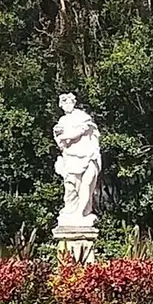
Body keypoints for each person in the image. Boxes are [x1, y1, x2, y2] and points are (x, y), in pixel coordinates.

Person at [52, 93, 101, 224]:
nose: (67, 105)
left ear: (73, 103)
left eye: (69, 102)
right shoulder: (62, 121)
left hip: (87, 155)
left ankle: (81, 212)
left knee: (86, 184)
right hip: (71, 157)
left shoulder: (82, 117)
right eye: (64, 103)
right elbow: (61, 144)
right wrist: (58, 136)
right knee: (71, 186)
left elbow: (80, 132)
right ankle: (71, 210)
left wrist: (63, 136)